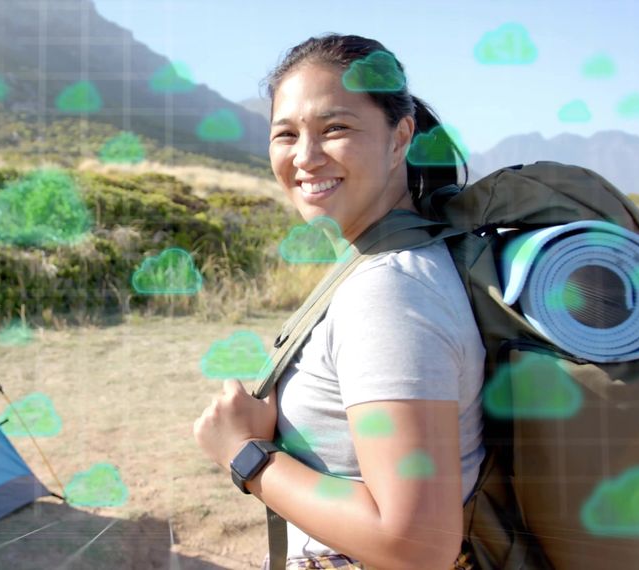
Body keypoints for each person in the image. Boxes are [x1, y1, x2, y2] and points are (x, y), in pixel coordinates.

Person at [193, 34, 485, 570]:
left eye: (336, 129)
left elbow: (416, 544)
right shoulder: (388, 262)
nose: (305, 157)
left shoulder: (390, 293)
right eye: (285, 134)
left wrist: (245, 454)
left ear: (400, 138)